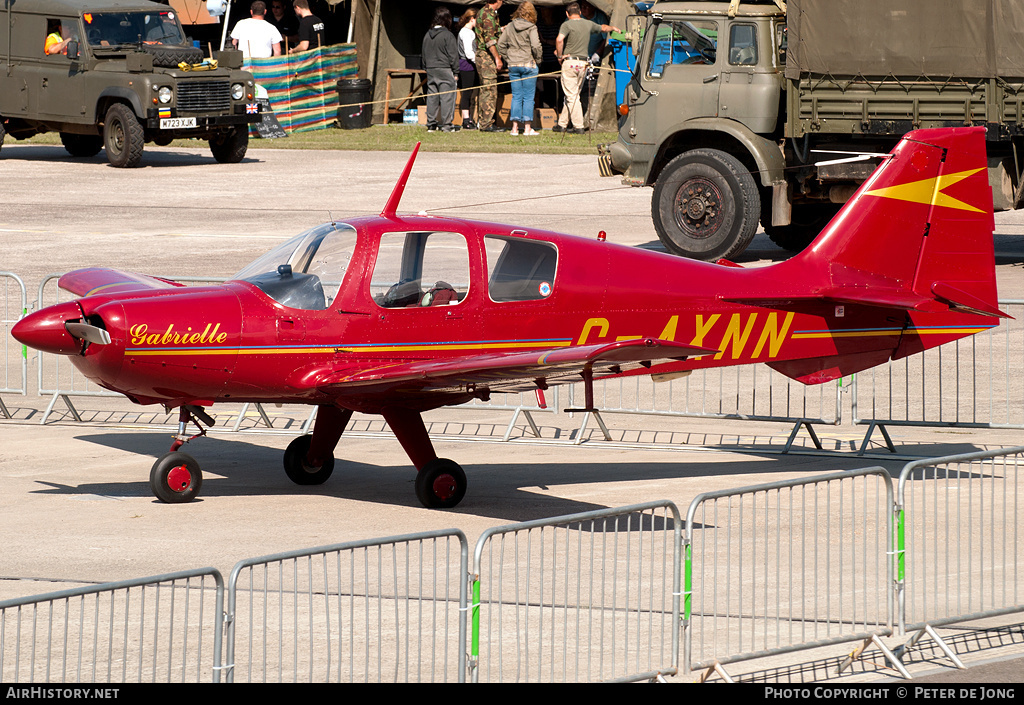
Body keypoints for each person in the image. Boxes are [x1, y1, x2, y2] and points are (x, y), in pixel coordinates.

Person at [554, 2, 618, 134]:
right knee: (573, 94)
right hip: (584, 64)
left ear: (567, 13)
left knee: (572, 96)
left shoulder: (566, 24)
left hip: (570, 62)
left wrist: (559, 56)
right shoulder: (588, 24)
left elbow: (559, 39)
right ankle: (562, 124)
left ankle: (578, 126)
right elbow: (603, 28)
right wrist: (614, 28)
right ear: (580, 12)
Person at [497, 1, 542, 137]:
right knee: (528, 97)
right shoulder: (532, 27)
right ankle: (527, 129)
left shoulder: (510, 26)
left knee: (516, 96)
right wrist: (538, 60)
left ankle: (514, 128)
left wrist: (508, 58)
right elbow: (535, 46)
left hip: (513, 65)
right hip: (528, 64)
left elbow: (500, 44)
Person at [421, 6, 460, 133]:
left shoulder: (427, 34)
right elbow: (453, 56)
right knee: (447, 97)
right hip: (444, 69)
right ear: (447, 19)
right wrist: (456, 71)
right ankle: (447, 125)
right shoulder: (448, 35)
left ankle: (431, 124)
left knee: (432, 96)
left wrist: (426, 67)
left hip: (431, 69)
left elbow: (424, 53)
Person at [474, 0, 504, 132]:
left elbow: (490, 33)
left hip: (483, 56)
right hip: (487, 57)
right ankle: (486, 124)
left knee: (486, 90)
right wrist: (497, 58)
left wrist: (502, 29)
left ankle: (484, 122)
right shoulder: (488, 15)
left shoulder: (483, 12)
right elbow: (489, 40)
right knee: (489, 91)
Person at [456, 9, 478, 130]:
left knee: (470, 93)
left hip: (469, 64)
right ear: (472, 19)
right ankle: (466, 120)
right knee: (466, 92)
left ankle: (470, 118)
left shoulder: (470, 32)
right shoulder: (466, 32)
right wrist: (478, 62)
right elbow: (469, 52)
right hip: (467, 64)